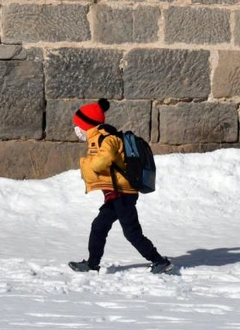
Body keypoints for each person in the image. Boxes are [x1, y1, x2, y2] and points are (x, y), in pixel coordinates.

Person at [68, 98, 173, 274]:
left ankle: (160, 261)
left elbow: (103, 160)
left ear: (87, 125)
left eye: (78, 125)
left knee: (131, 232)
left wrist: (86, 163)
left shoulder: (108, 139)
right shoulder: (98, 139)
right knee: (99, 227)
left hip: (123, 194)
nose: (76, 129)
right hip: (115, 194)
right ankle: (92, 264)